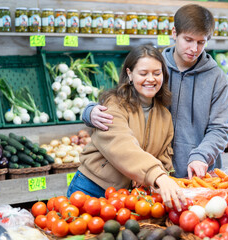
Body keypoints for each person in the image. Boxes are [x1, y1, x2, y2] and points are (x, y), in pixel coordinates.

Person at [82, 4, 228, 179]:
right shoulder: (155, 67)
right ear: (174, 33)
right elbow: (123, 96)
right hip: (150, 172)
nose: (194, 49)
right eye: (188, 40)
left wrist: (201, 156)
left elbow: (220, 129)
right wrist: (90, 111)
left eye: (201, 42)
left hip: (198, 174)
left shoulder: (216, 78)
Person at [67, 45, 187, 211]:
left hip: (129, 197)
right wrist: (157, 175)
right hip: (92, 188)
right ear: (130, 74)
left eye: (157, 73)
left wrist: (165, 178)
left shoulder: (164, 115)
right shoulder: (115, 104)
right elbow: (121, 145)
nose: (151, 79)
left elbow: (164, 156)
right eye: (143, 73)